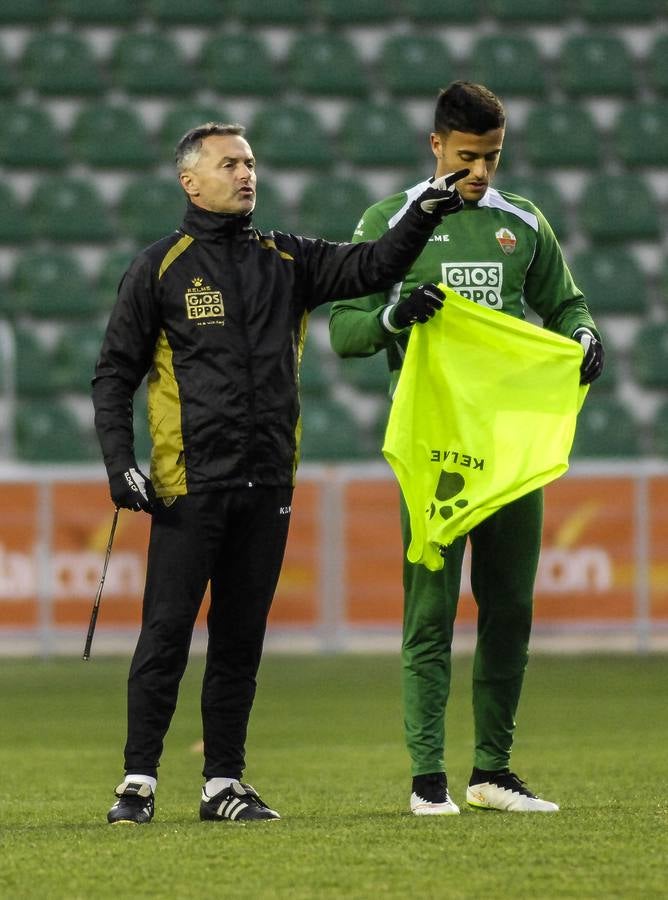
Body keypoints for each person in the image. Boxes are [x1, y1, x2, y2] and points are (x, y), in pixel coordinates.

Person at [92, 121, 468, 825]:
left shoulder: (287, 258)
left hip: (268, 486)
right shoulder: (159, 266)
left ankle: (222, 784)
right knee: (165, 635)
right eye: (230, 164)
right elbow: (114, 374)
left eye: (252, 163)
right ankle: (137, 782)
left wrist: (419, 215)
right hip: (189, 487)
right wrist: (120, 464)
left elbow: (372, 266)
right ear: (190, 180)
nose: (246, 175)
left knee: (239, 642)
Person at [329, 82, 604, 816]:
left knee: (510, 606)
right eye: (467, 157)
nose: (481, 172)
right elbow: (345, 332)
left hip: (509, 444)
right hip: (435, 451)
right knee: (431, 610)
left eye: (492, 157)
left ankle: (493, 771)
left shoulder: (523, 222)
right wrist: (394, 312)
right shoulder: (390, 221)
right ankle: (428, 781)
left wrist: (583, 335)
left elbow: (567, 303)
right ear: (436, 147)